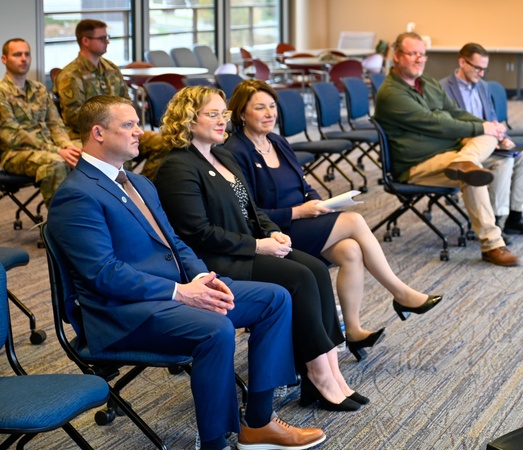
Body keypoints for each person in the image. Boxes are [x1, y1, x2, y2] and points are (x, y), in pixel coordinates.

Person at [46, 95, 325, 450]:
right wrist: (180, 292)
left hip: (174, 293)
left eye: (137, 123)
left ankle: (258, 422)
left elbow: (175, 242)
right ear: (98, 133)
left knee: (274, 297)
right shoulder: (77, 195)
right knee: (216, 328)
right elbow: (104, 275)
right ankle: (214, 442)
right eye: (128, 125)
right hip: (121, 312)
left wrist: (202, 279)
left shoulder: (139, 183)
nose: (139, 134)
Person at [152, 86, 367, 412]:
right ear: (188, 119)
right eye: (213, 114)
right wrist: (257, 245)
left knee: (317, 269)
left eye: (223, 114)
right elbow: (197, 233)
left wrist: (273, 232)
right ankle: (318, 374)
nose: (222, 121)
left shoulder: (221, 154)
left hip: (247, 248)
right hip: (216, 261)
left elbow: (252, 209)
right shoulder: (177, 167)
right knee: (299, 278)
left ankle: (331, 371)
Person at [223, 79, 442, 361]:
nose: (269, 113)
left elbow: (303, 184)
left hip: (305, 221)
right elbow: (250, 213)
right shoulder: (236, 152)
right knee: (352, 222)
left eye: (272, 106)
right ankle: (400, 293)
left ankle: (353, 330)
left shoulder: (276, 141)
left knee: (351, 250)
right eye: (260, 108)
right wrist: (299, 212)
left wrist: (320, 203)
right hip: (278, 232)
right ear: (242, 114)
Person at [374, 32, 519, 267]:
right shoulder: (391, 93)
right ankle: (492, 244)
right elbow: (435, 123)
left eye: (422, 54)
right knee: (472, 176)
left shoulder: (427, 82)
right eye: (413, 54)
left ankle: (489, 212)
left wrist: (487, 127)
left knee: (494, 151)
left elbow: (453, 112)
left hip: (452, 152)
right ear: (397, 56)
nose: (419, 59)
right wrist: (481, 126)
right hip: (417, 163)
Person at [440, 42, 523, 236]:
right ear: (462, 62)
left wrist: (502, 137)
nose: (481, 74)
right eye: (478, 68)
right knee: (504, 162)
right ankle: (494, 222)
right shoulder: (444, 88)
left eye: (484, 70)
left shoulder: (482, 86)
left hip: (490, 142)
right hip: (464, 147)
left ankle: (515, 218)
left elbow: (491, 117)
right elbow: (446, 126)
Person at [0, 38, 80, 207]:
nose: (24, 59)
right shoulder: (1, 93)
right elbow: (13, 136)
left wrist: (67, 146)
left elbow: (55, 124)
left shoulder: (39, 89)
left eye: (27, 54)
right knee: (56, 163)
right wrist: (57, 150)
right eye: (17, 55)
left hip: (48, 148)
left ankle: (92, 213)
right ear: (4, 59)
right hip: (14, 154)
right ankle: (62, 225)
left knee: (90, 153)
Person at [54, 19, 129, 138]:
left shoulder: (111, 69)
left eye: (107, 37)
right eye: (102, 39)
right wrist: (110, 124)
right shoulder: (70, 75)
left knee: (164, 142)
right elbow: (74, 116)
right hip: (88, 137)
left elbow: (126, 101)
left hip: (120, 132)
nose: (107, 42)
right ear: (85, 41)